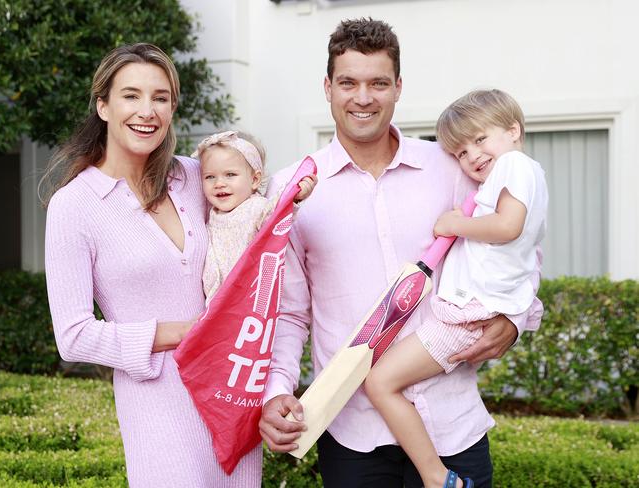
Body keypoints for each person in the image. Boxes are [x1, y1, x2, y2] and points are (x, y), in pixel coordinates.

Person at [259, 18, 543, 488]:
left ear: (398, 88)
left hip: (452, 424)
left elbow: (518, 245)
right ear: (328, 88)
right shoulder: (292, 191)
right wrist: (276, 392)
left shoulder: (451, 168)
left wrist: (515, 322)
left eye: (378, 83)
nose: (363, 97)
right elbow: (288, 313)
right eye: (348, 82)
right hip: (352, 432)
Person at [41, 43, 261, 487]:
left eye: (161, 97)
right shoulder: (74, 205)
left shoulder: (194, 176)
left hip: (230, 395)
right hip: (157, 407)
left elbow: (258, 208)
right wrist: (187, 332)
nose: (148, 111)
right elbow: (73, 336)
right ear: (103, 105)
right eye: (131, 95)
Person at [364, 89, 549, 488]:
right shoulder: (505, 178)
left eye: (480, 139)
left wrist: (453, 225)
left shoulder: (516, 165)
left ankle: (436, 478)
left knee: (380, 382)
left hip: (466, 314)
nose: (473, 156)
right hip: (470, 310)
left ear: (513, 130)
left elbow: (507, 227)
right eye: (461, 152)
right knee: (387, 379)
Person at [191, 130, 316, 303]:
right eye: (210, 177)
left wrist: (293, 196)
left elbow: (275, 214)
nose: (219, 183)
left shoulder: (255, 208)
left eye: (230, 175)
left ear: (255, 180)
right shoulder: (211, 213)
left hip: (247, 301)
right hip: (215, 304)